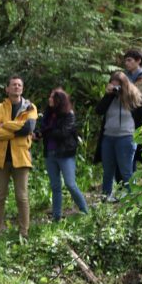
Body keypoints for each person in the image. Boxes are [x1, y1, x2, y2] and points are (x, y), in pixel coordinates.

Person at [0, 75, 38, 239]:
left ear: (22, 89)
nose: (16, 87)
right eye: (13, 85)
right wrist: (15, 128)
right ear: (7, 89)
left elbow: (28, 128)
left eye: (19, 85)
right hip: (1, 159)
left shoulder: (30, 108)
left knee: (22, 197)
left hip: (21, 158)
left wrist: (4, 125)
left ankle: (24, 232)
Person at [94, 71, 142, 202]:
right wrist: (108, 95)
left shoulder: (134, 96)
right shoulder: (110, 97)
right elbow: (98, 110)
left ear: (124, 85)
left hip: (126, 138)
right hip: (108, 138)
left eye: (118, 85)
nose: (116, 88)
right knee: (108, 171)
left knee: (126, 171)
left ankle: (132, 198)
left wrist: (141, 134)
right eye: (113, 85)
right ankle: (105, 197)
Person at [37, 88, 89, 221]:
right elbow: (42, 129)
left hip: (65, 154)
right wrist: (39, 134)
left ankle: (85, 212)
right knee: (55, 186)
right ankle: (56, 216)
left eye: (52, 97)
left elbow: (63, 133)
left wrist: (46, 132)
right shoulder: (48, 114)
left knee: (70, 184)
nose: (49, 99)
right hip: (50, 153)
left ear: (59, 100)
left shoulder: (68, 114)